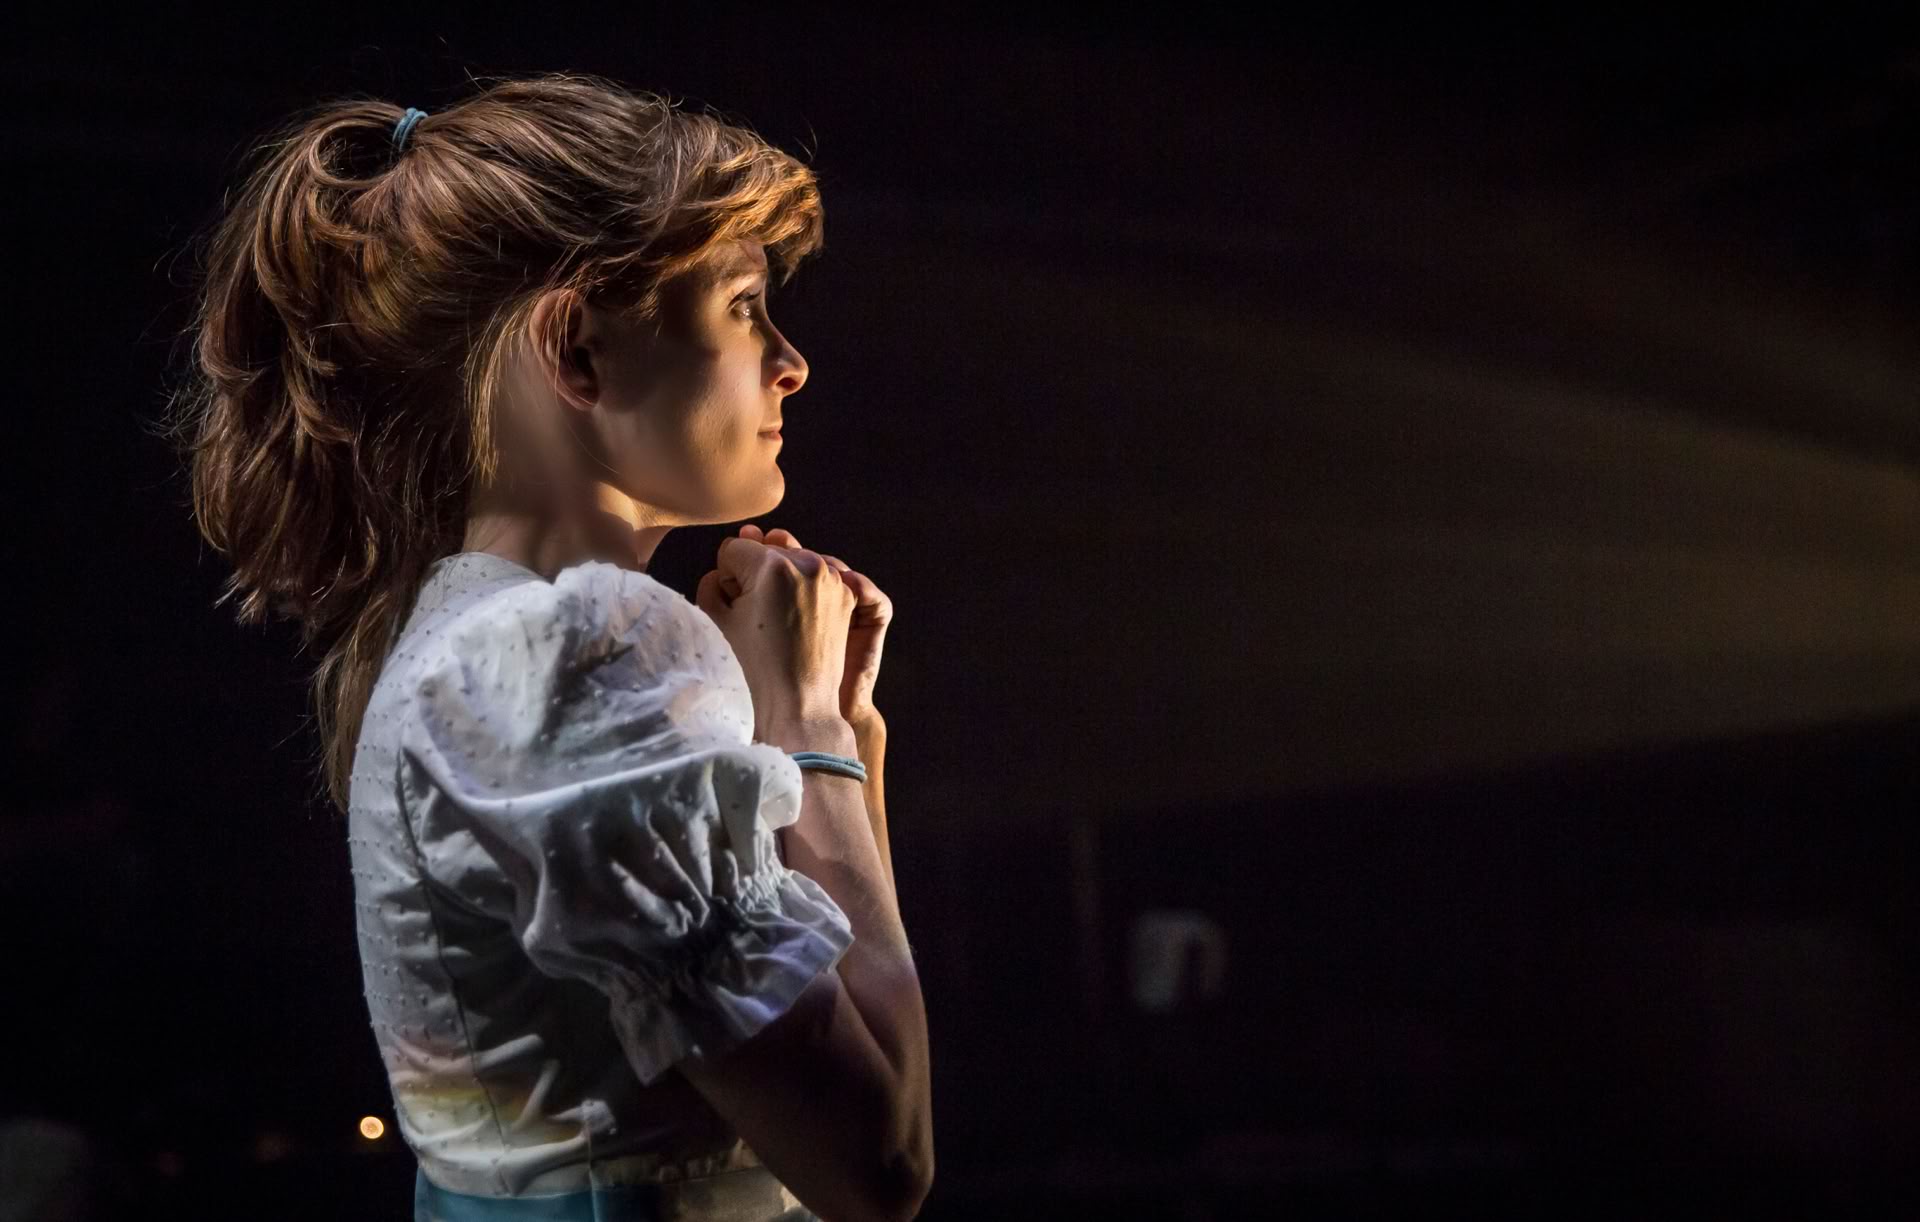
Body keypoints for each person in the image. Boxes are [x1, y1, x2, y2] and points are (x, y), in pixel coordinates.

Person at [163, 72, 932, 1221]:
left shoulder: (473, 639)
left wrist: (836, 724)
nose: (790, 360)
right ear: (576, 350)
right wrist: (809, 725)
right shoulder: (582, 655)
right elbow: (882, 1161)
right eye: (741, 305)